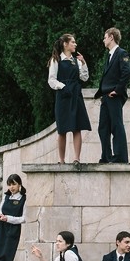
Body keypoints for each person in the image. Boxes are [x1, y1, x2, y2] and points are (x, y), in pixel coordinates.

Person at [47, 33, 92, 165]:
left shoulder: (77, 61)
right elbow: (51, 80)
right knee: (62, 129)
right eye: (73, 42)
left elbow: (84, 78)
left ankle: (76, 158)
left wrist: (84, 63)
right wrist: (63, 87)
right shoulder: (56, 60)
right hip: (63, 97)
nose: (75, 44)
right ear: (65, 44)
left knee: (77, 127)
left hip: (76, 96)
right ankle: (61, 160)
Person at [94, 27, 130, 163]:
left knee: (116, 125)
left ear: (111, 37)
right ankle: (106, 157)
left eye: (105, 37)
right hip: (105, 96)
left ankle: (121, 157)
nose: (103, 40)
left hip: (114, 96)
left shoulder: (122, 53)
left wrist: (118, 90)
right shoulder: (109, 56)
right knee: (103, 128)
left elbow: (127, 72)